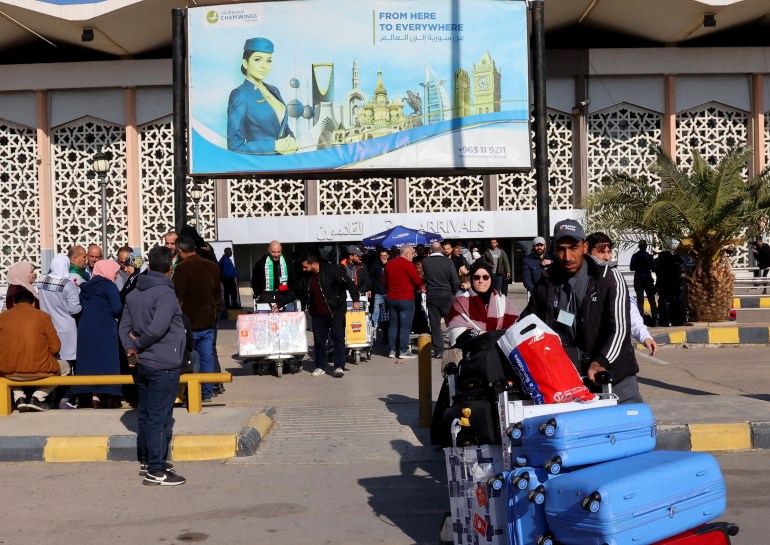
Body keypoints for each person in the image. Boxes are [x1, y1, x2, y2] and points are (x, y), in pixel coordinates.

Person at [520, 219, 642, 404]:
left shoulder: (607, 278)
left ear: (584, 247)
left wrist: (600, 362)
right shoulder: (546, 283)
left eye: (573, 247)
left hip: (613, 380)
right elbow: (528, 323)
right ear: (553, 249)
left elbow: (619, 330)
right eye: (561, 249)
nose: (567, 256)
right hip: (569, 385)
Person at [119, 245, 187, 486]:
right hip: (163, 363)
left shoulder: (134, 291)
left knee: (147, 415)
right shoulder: (165, 293)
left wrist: (131, 347)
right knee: (160, 418)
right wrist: (138, 345)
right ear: (170, 267)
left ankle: (149, 460)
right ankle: (156, 471)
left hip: (142, 364)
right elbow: (158, 329)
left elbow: (124, 327)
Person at [586, 232, 658, 356]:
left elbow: (629, 309)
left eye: (609, 252)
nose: (607, 257)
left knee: (645, 302)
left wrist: (644, 336)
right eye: (602, 252)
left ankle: (654, 319)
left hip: (610, 354)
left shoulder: (614, 279)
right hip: (586, 353)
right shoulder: (579, 280)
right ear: (587, 250)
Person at [0, 288, 70, 412]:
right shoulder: (43, 316)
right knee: (66, 367)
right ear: (33, 303)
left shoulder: (3, 317)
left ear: (14, 304)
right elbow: (55, 347)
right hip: (40, 370)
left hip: (8, 372)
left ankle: (19, 396)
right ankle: (38, 397)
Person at [227, 37, 297, 155]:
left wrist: (292, 139)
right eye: (258, 60)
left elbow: (283, 126)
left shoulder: (273, 90)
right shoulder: (240, 95)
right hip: (262, 165)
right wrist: (274, 146)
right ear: (245, 63)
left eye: (268, 60)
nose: (264, 66)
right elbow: (235, 146)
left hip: (286, 161)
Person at [173, 235, 222, 401]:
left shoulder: (181, 268)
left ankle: (194, 392)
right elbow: (218, 295)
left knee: (191, 357)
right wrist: (214, 311)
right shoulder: (212, 266)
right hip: (208, 320)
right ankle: (207, 391)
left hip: (189, 322)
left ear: (180, 251)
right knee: (207, 356)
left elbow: (178, 296)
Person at [70, 259, 123, 408]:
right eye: (116, 271)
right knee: (107, 359)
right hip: (105, 326)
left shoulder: (85, 286)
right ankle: (111, 395)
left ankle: (94, 396)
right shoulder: (109, 286)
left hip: (86, 327)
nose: (117, 275)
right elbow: (116, 308)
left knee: (90, 360)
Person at [297, 253, 360, 378]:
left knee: (337, 337)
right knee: (319, 341)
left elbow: (349, 283)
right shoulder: (306, 277)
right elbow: (295, 291)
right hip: (318, 313)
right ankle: (320, 366)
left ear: (314, 263)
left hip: (336, 310)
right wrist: (280, 302)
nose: (304, 269)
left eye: (305, 267)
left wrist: (355, 299)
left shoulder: (332, 270)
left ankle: (339, 366)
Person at [37, 254, 82, 409]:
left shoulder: (41, 280)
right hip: (67, 329)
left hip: (48, 327)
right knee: (68, 365)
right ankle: (64, 399)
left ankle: (48, 397)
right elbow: (74, 309)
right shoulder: (67, 284)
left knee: (52, 363)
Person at [445, 261, 519, 348]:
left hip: (499, 352)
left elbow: (516, 326)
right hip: (471, 353)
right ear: (471, 280)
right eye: (476, 277)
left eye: (485, 277)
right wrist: (480, 334)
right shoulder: (460, 302)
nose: (481, 281)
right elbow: (455, 330)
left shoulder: (503, 300)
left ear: (491, 279)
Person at [383, 245, 425, 360]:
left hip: (391, 297)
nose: (413, 256)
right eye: (412, 253)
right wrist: (421, 280)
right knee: (405, 325)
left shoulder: (389, 264)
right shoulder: (408, 265)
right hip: (406, 298)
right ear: (406, 254)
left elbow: (384, 282)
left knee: (393, 324)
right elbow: (417, 281)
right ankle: (403, 350)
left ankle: (391, 350)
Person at [421, 241, 460, 359]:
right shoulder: (448, 262)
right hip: (446, 294)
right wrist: (453, 292)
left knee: (435, 324)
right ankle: (455, 345)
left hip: (432, 294)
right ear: (442, 250)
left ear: (431, 250)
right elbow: (456, 281)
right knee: (452, 323)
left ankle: (439, 350)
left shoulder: (425, 262)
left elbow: (424, 278)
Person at [251, 240, 297, 311]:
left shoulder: (288, 263)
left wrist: (291, 294)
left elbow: (293, 280)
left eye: (278, 252)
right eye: (273, 252)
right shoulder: (261, 263)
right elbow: (255, 280)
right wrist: (258, 293)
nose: (276, 255)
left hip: (284, 296)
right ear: (269, 250)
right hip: (266, 296)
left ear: (281, 250)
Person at [630, 240, 657, 325]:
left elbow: (631, 268)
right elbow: (653, 268)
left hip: (638, 279)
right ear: (645, 246)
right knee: (652, 300)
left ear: (639, 246)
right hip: (647, 279)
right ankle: (654, 319)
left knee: (640, 301)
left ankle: (640, 321)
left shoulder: (635, 256)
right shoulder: (649, 256)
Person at [369, 248, 389, 339]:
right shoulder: (375, 264)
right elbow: (371, 278)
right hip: (378, 292)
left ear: (388, 256)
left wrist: (386, 265)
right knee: (376, 311)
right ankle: (373, 328)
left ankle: (386, 330)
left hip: (389, 292)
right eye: (382, 256)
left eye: (385, 256)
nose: (383, 258)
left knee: (388, 312)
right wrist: (369, 289)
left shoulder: (391, 264)